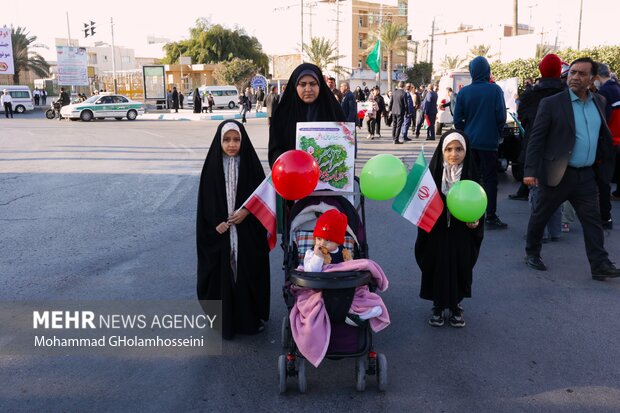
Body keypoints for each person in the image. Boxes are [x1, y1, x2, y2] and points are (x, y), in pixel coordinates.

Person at [523, 57, 620, 280]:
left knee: (593, 220)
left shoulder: (600, 101)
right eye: (572, 72)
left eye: (582, 74)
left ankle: (599, 264)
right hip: (558, 172)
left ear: (592, 79)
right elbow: (536, 139)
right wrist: (530, 171)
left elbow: (602, 136)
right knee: (541, 215)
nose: (575, 77)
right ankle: (532, 252)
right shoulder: (552, 103)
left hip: (586, 175)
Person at [196, 120, 271, 340]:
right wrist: (216, 223)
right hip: (221, 233)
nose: (231, 144)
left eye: (236, 140)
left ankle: (249, 319)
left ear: (243, 141)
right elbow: (206, 203)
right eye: (227, 140)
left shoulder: (250, 165)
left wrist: (246, 212)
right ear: (219, 141)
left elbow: (262, 196)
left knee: (246, 271)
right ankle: (224, 320)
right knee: (223, 273)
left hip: (246, 231)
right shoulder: (211, 167)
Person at [415, 130, 483, 328]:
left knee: (460, 266)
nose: (454, 154)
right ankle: (437, 305)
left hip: (461, 234)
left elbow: (479, 204)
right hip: (436, 233)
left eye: (460, 149)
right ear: (442, 152)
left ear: (466, 151)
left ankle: (455, 305)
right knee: (436, 265)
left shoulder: (471, 175)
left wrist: (476, 222)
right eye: (449, 149)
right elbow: (422, 202)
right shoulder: (434, 174)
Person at [453, 56, 508, 229]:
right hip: (489, 143)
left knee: (470, 178)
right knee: (490, 180)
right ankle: (490, 216)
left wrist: (466, 132)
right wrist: (497, 132)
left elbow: (457, 120)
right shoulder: (495, 90)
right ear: (487, 70)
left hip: (470, 142)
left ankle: (469, 212)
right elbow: (501, 116)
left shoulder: (463, 92)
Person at [517, 54, 565, 240]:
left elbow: (522, 116)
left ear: (541, 70)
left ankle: (539, 233)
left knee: (537, 192)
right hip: (561, 148)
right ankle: (555, 231)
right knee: (556, 191)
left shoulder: (531, 94)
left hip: (535, 147)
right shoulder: (567, 92)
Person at [268, 63, 345, 167]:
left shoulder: (333, 110)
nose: (308, 89)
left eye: (313, 84)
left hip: (327, 175)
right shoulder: (282, 114)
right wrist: (287, 164)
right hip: (293, 176)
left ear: (320, 85)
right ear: (295, 86)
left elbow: (346, 145)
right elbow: (275, 148)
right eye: (303, 84)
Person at [595, 62, 620, 225]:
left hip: (608, 143)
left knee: (602, 181)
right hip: (617, 141)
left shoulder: (604, 92)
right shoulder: (617, 88)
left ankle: (605, 216)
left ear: (596, 76)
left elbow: (601, 120)